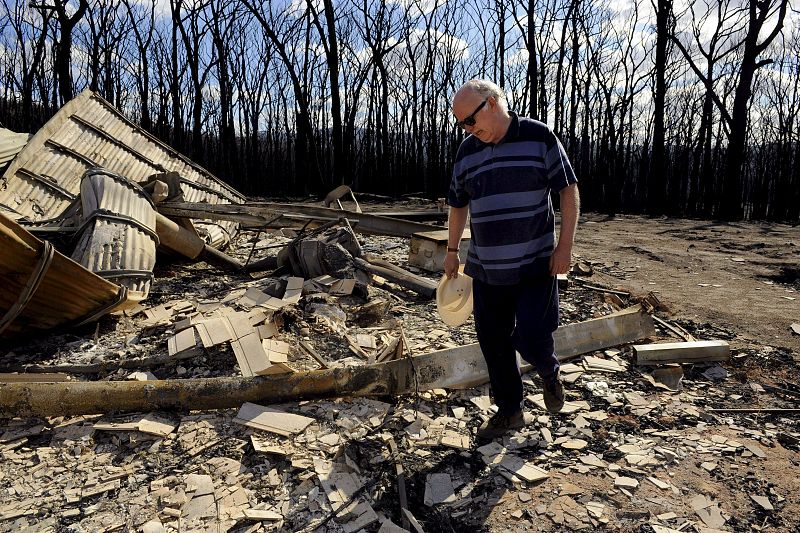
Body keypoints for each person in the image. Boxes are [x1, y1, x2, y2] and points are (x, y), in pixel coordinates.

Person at [444, 79, 580, 439]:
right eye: (461, 125)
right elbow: (458, 205)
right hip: (486, 267)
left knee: (534, 335)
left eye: (470, 121)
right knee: (493, 341)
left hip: (535, 263)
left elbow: (568, 189)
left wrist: (564, 247)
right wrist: (452, 251)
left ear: (491, 104)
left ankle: (549, 372)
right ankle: (510, 411)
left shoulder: (539, 136)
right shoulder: (467, 152)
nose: (467, 130)